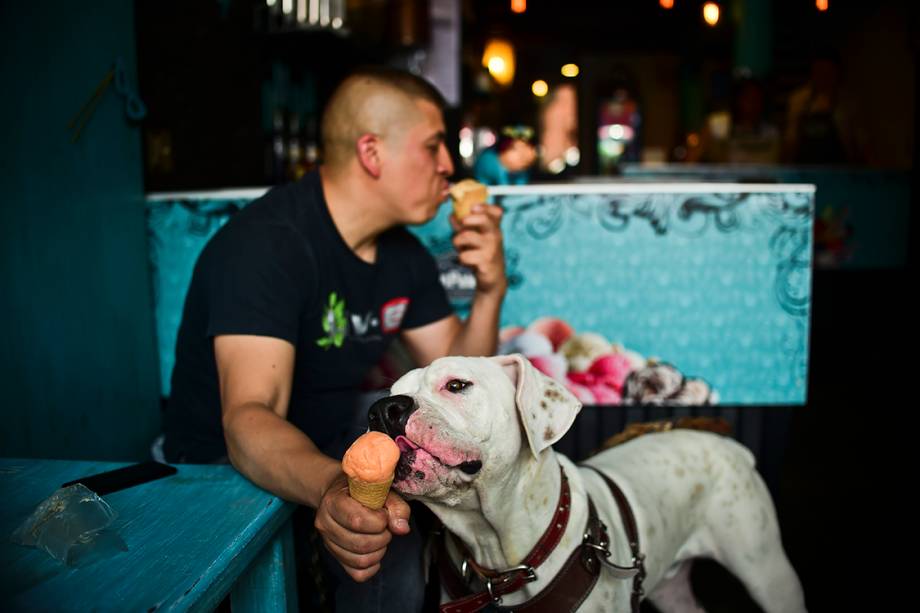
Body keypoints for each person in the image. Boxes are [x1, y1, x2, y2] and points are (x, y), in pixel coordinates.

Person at [161, 67, 507, 611]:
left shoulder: (403, 256)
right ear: (371, 152)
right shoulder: (267, 246)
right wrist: (333, 486)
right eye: (434, 146)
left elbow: (457, 380)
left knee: (393, 539)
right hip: (221, 470)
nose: (449, 166)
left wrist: (489, 289)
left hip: (334, 441)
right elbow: (248, 416)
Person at [472, 125, 537, 185]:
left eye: (529, 147)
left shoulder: (523, 170)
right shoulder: (489, 161)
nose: (523, 155)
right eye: (514, 149)